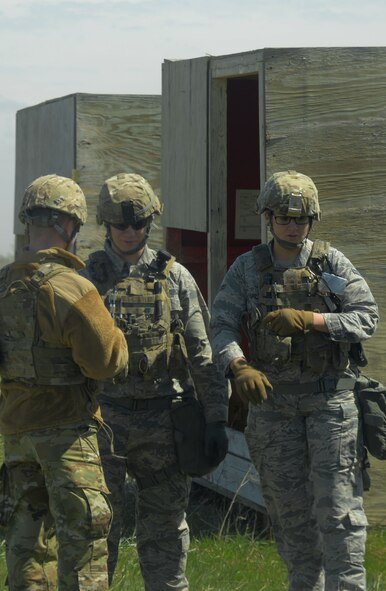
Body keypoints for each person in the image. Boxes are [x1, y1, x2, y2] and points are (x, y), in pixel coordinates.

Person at [210, 170, 379, 591]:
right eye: (284, 218)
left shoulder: (330, 263)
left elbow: (367, 317)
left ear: (312, 221)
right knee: (289, 516)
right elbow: (222, 326)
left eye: (301, 219)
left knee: (340, 514)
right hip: (274, 409)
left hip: (330, 406)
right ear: (267, 217)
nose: (292, 226)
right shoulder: (248, 269)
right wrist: (238, 366)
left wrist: (313, 319)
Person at [0, 174, 128, 591]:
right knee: (83, 547)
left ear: (29, 222)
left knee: (26, 546)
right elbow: (106, 362)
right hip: (65, 438)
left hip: (16, 435)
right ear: (69, 225)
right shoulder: (71, 288)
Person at [80, 172, 229, 590]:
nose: (130, 232)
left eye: (139, 224)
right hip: (103, 422)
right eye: (121, 225)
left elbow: (202, 351)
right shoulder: (87, 278)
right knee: (94, 530)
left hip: (165, 423)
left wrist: (216, 417)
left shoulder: (174, 277)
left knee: (164, 533)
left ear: (151, 222)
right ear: (105, 225)